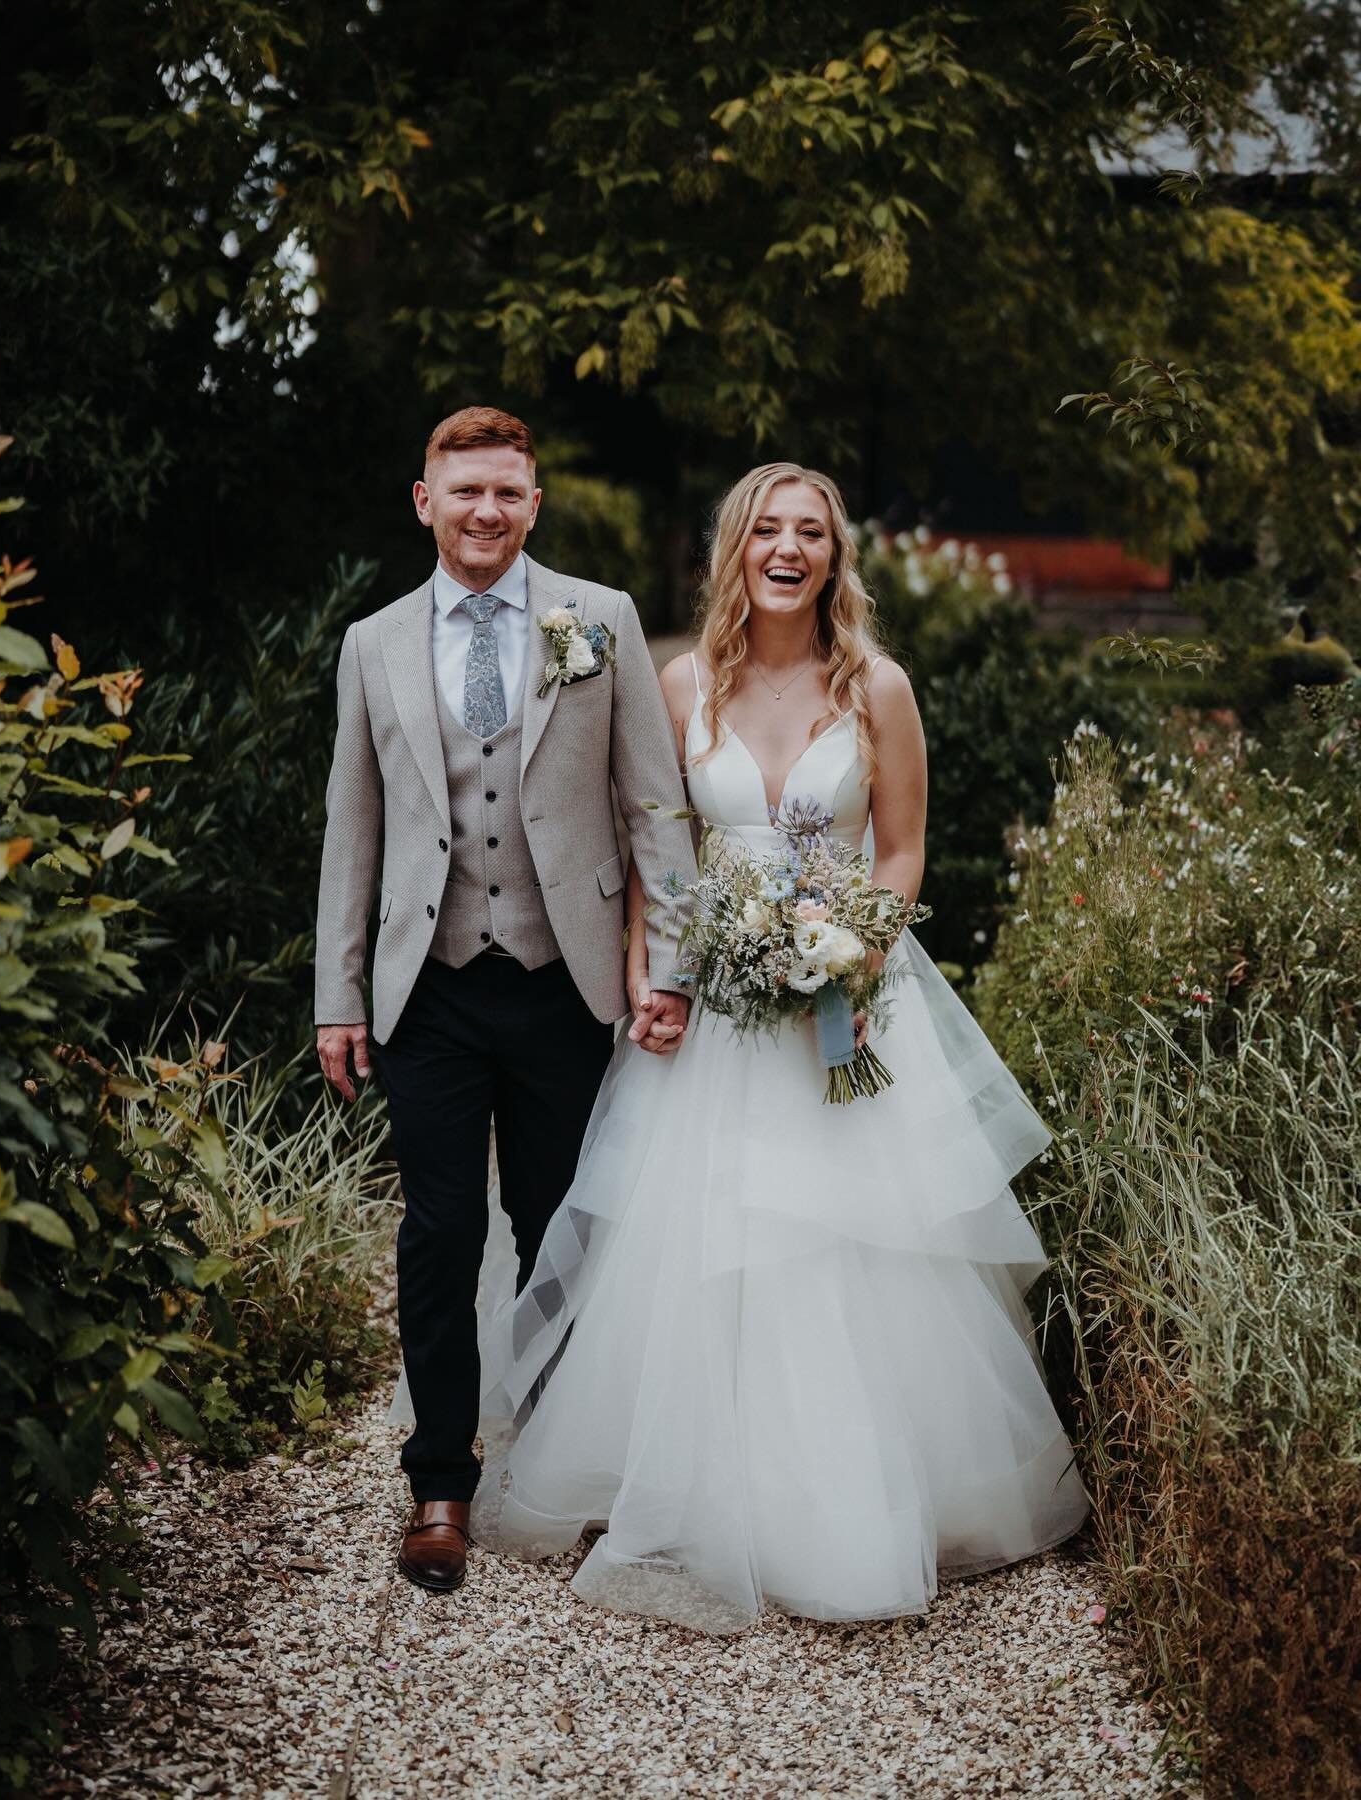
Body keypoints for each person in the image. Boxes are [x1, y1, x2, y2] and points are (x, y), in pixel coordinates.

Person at [470, 461, 1091, 1631]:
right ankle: (701, 1489)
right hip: (713, 1005)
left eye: (812, 532)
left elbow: (903, 850)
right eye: (769, 530)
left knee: (850, 1246)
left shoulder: (881, 689)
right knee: (698, 1239)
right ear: (737, 550)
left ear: (834, 557)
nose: (789, 549)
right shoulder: (680, 682)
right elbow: (659, 848)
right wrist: (649, 970)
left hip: (846, 1004)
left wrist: (853, 943)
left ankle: (847, 1508)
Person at [314, 406, 697, 1593]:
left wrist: (673, 965)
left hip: (563, 979)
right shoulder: (373, 642)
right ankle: (441, 1484)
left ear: (535, 505)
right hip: (424, 989)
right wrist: (338, 994)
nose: (488, 511)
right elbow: (352, 826)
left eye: (509, 494)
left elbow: (653, 808)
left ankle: (562, 1466)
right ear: (424, 500)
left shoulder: (602, 619)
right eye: (466, 490)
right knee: (439, 1237)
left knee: (562, 1231)